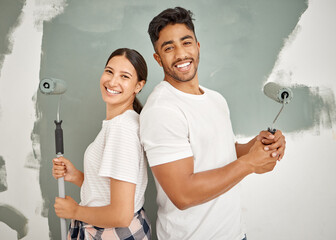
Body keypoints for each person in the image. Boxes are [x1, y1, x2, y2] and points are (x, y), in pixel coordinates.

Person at [140, 7, 286, 240]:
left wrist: (260, 145)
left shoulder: (216, 99)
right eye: (168, 48)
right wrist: (250, 164)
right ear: (158, 59)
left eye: (186, 43)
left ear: (197, 47)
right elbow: (183, 194)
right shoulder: (161, 110)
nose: (180, 54)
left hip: (235, 233)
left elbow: (224, 154)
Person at [52, 48, 151, 240]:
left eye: (124, 76)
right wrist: (77, 177)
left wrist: (75, 211)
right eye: (109, 71)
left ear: (138, 86)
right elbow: (108, 191)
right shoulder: (122, 122)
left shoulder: (121, 129)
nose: (112, 82)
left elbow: (120, 215)